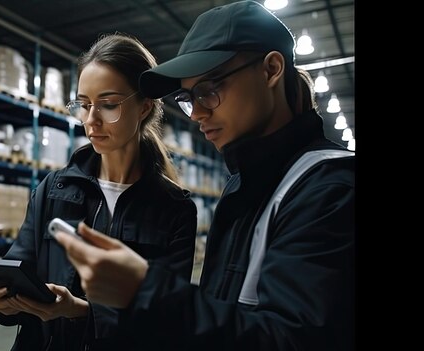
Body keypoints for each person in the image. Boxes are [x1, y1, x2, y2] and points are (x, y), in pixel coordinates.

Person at [55, 1, 355, 350]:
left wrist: (145, 293)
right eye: (187, 97)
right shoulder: (246, 184)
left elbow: (294, 339)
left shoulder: (330, 190)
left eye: (209, 90)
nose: (196, 113)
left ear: (271, 69)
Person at [0, 33, 198, 351]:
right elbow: (19, 269)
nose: (90, 121)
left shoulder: (174, 209)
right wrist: (1, 304)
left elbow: (164, 318)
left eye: (108, 105)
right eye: (83, 105)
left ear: (144, 108)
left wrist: (82, 312)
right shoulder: (53, 190)